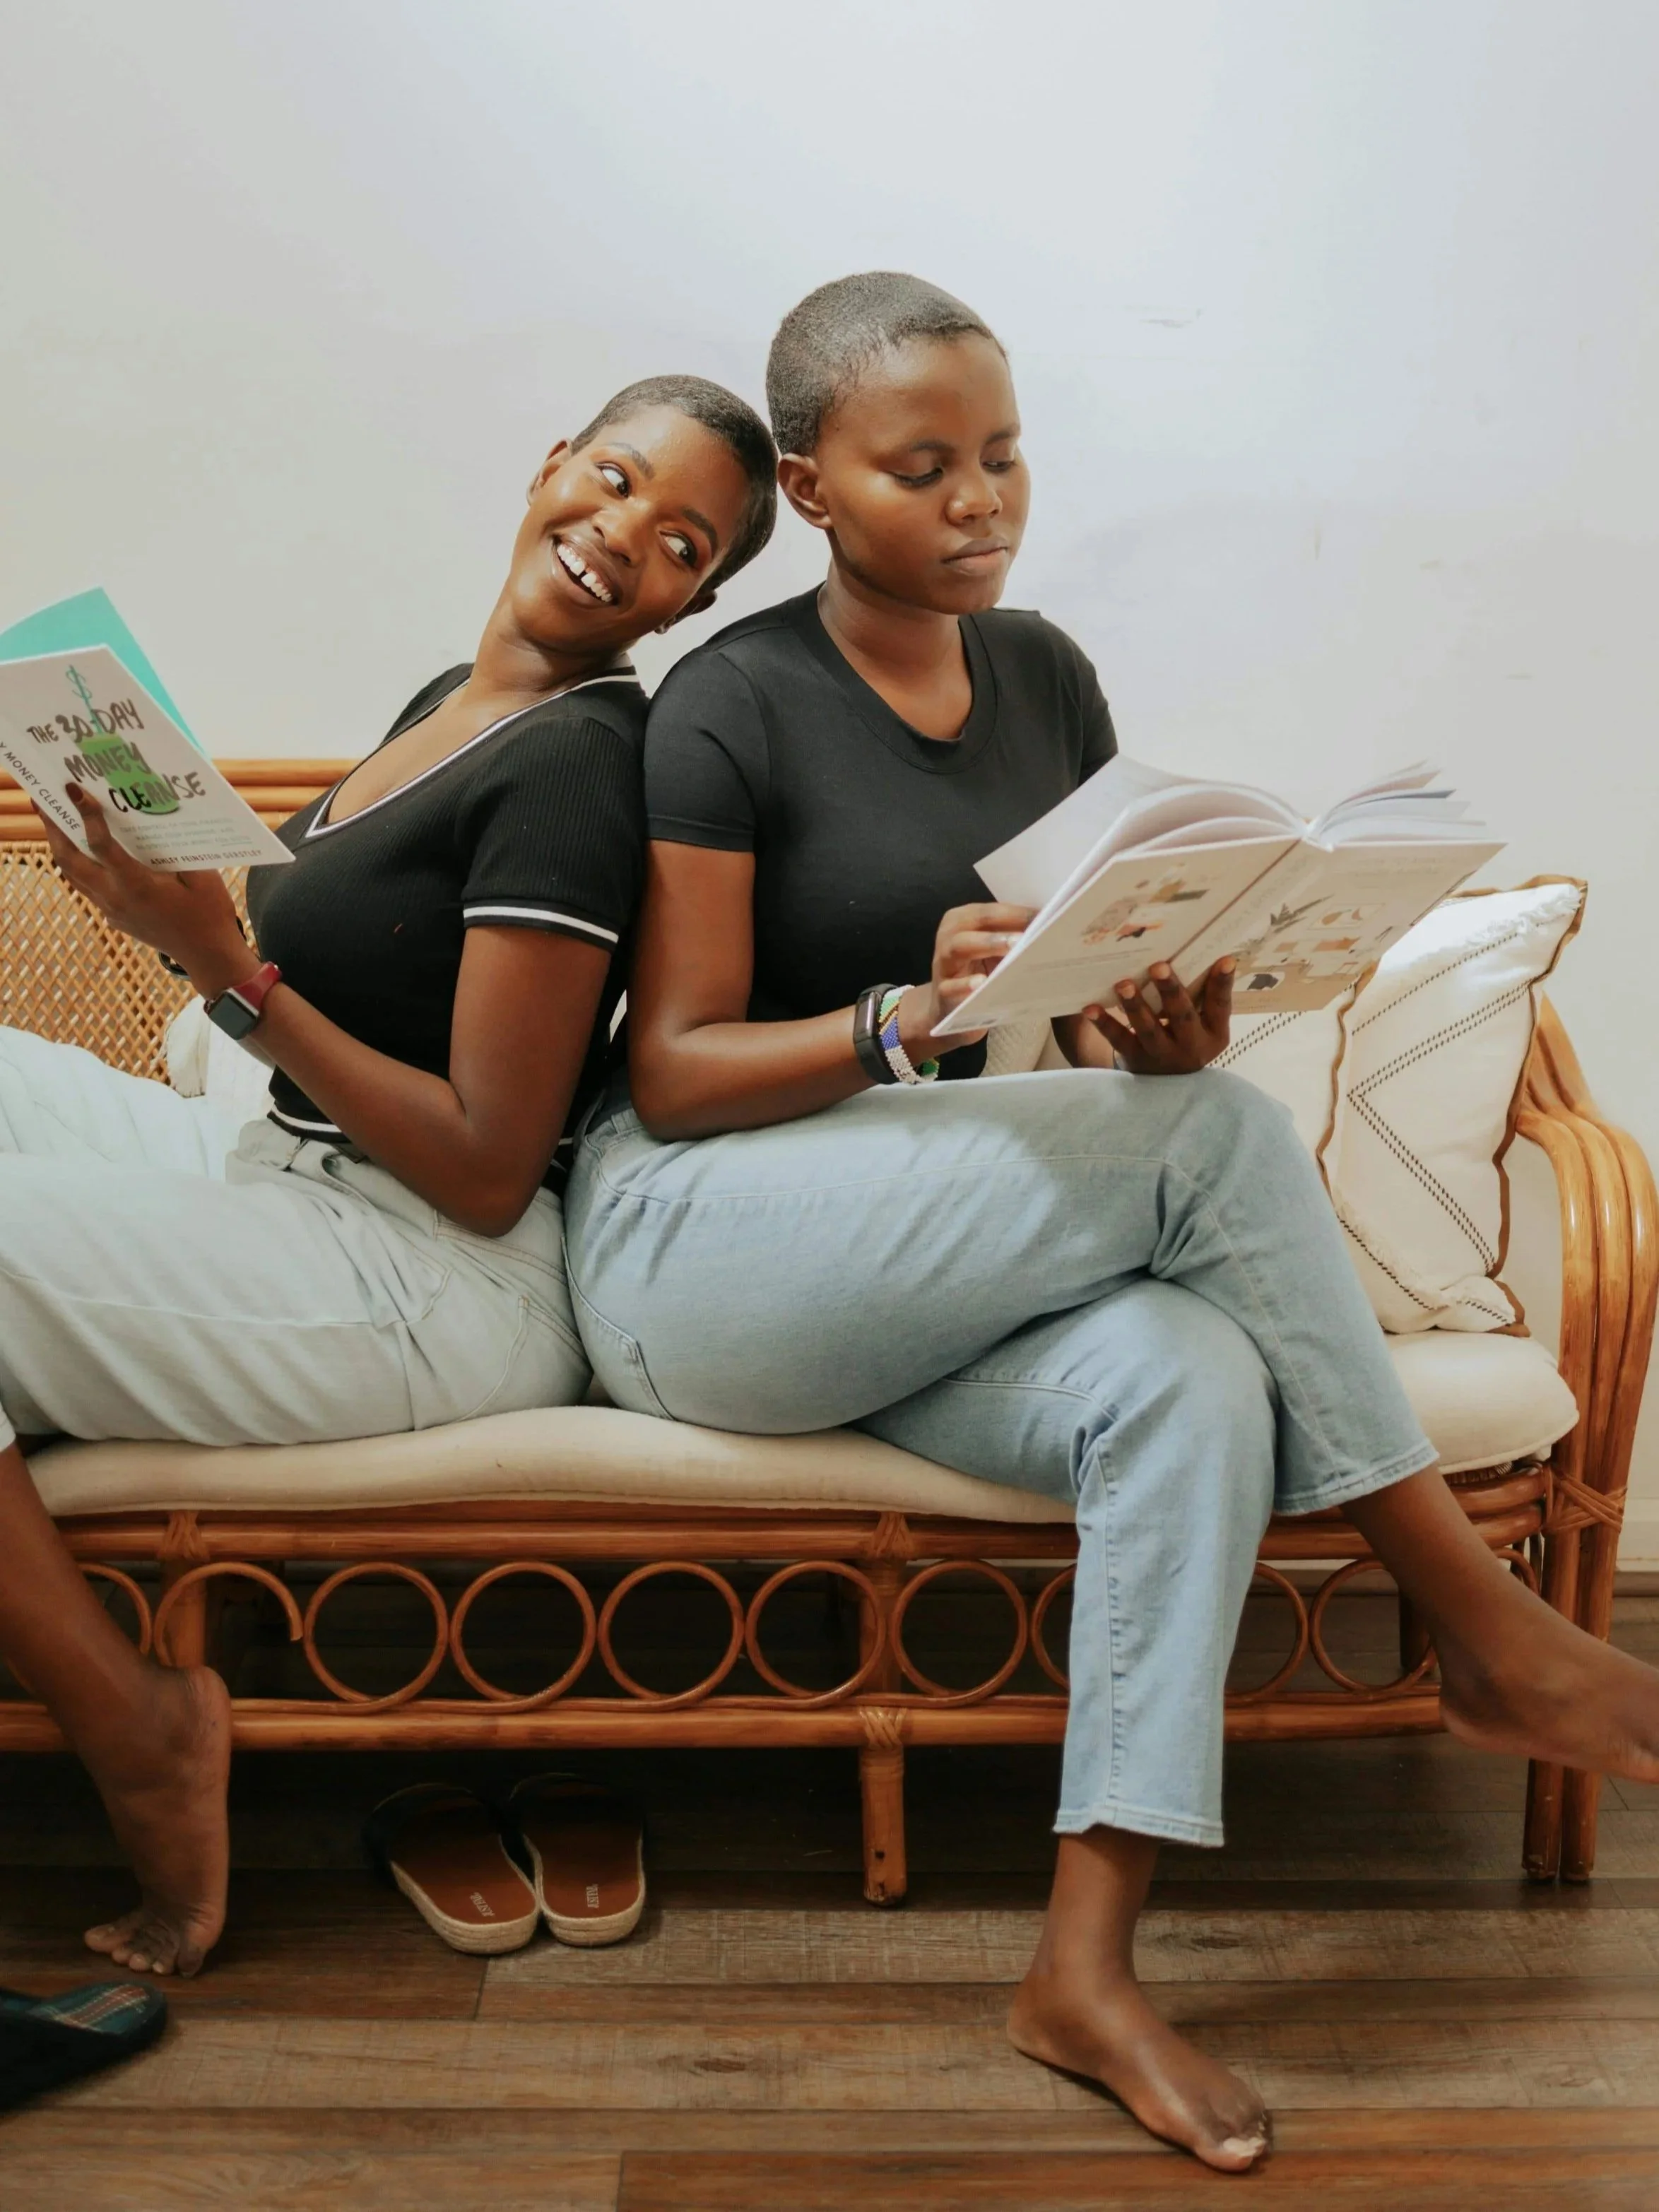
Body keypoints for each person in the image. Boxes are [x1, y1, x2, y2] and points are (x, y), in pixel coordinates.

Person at [563, 277, 1659, 2173]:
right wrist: (899, 1019)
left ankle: (1081, 1967)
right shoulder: (728, 703)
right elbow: (669, 1071)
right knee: (1215, 1152)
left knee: (1186, 1370)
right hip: (697, 1252)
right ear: (815, 488)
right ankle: (1475, 1618)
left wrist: (1159, 1017)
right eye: (924, 467)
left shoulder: (1046, 679)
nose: (980, 498)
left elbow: (1074, 1027)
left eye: (1001, 456)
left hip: (923, 1264)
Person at [0, 373, 777, 1980]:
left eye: (679, 539)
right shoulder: (455, 694)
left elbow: (491, 1167)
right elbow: (335, 981)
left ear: (695, 597)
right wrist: (197, 925)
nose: (620, 535)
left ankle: (139, 1726)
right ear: (552, 459)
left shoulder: (577, 763)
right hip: (281, 1163)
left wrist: (231, 974)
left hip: (427, 1267)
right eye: (615, 480)